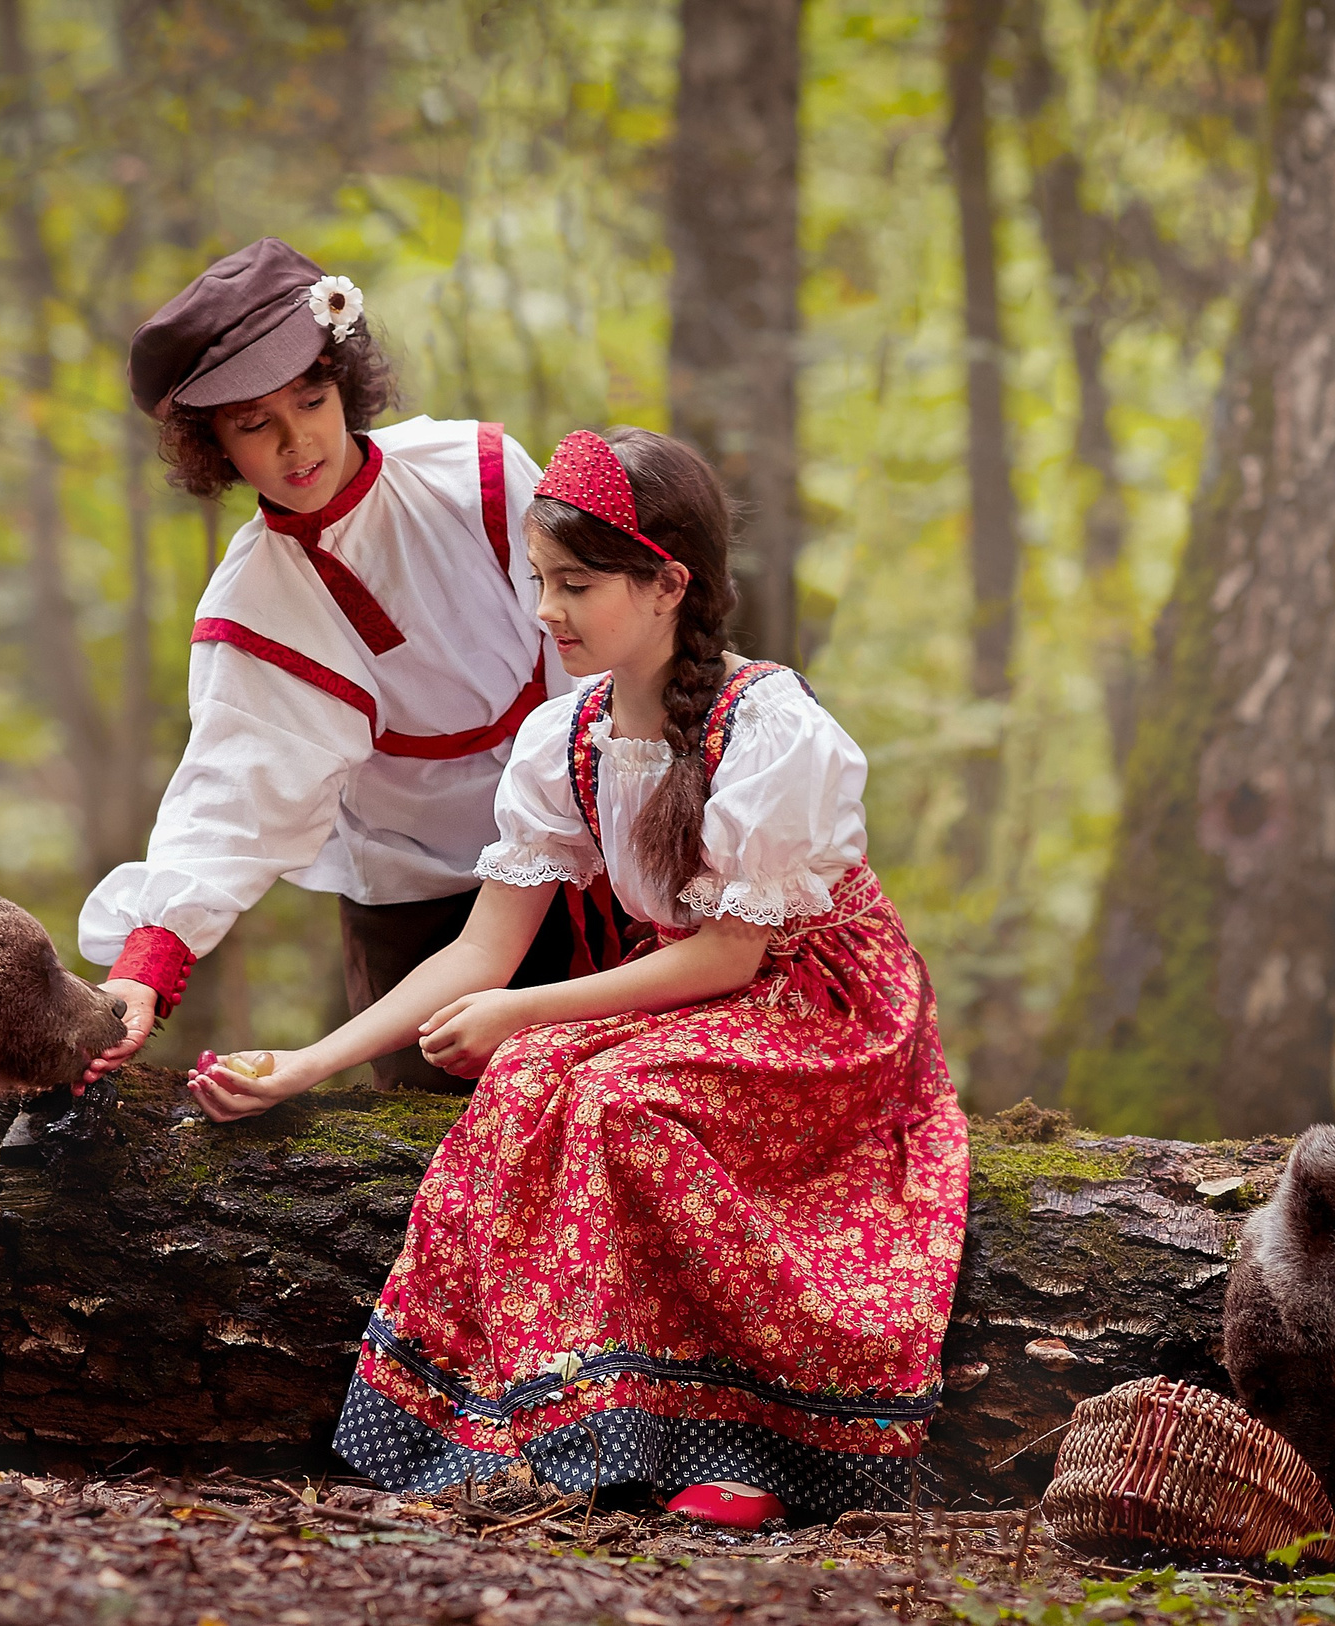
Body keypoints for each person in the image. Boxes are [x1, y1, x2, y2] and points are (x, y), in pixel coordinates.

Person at [184, 427, 970, 1528]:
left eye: (576, 585)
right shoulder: (569, 735)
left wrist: (522, 1013)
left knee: (619, 1099)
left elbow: (734, 953)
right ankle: (539, 1423)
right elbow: (480, 952)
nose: (546, 612)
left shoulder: (773, 730)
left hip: (818, 998)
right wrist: (310, 1064)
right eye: (539, 582)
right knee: (525, 1083)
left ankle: (752, 1437)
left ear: (667, 585)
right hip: (688, 990)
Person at [81, 238, 598, 1088]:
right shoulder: (253, 604)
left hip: (598, 849)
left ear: (344, 382)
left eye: (311, 400)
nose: (297, 443)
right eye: (255, 425)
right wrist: (147, 964)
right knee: (440, 1165)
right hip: (423, 906)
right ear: (214, 446)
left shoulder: (478, 473)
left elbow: (598, 639)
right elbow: (230, 796)